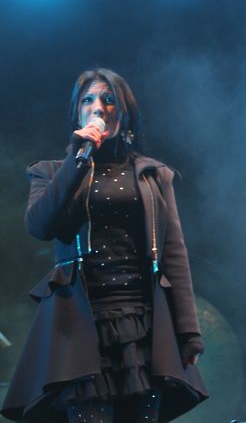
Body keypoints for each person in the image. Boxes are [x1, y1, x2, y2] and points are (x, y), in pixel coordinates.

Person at [2, 67, 208, 422]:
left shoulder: (153, 175)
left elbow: (175, 253)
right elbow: (39, 225)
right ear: (76, 113)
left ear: (124, 113)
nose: (98, 107)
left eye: (108, 99)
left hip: (140, 323)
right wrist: (79, 158)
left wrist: (188, 332)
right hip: (79, 323)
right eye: (88, 100)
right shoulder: (51, 172)